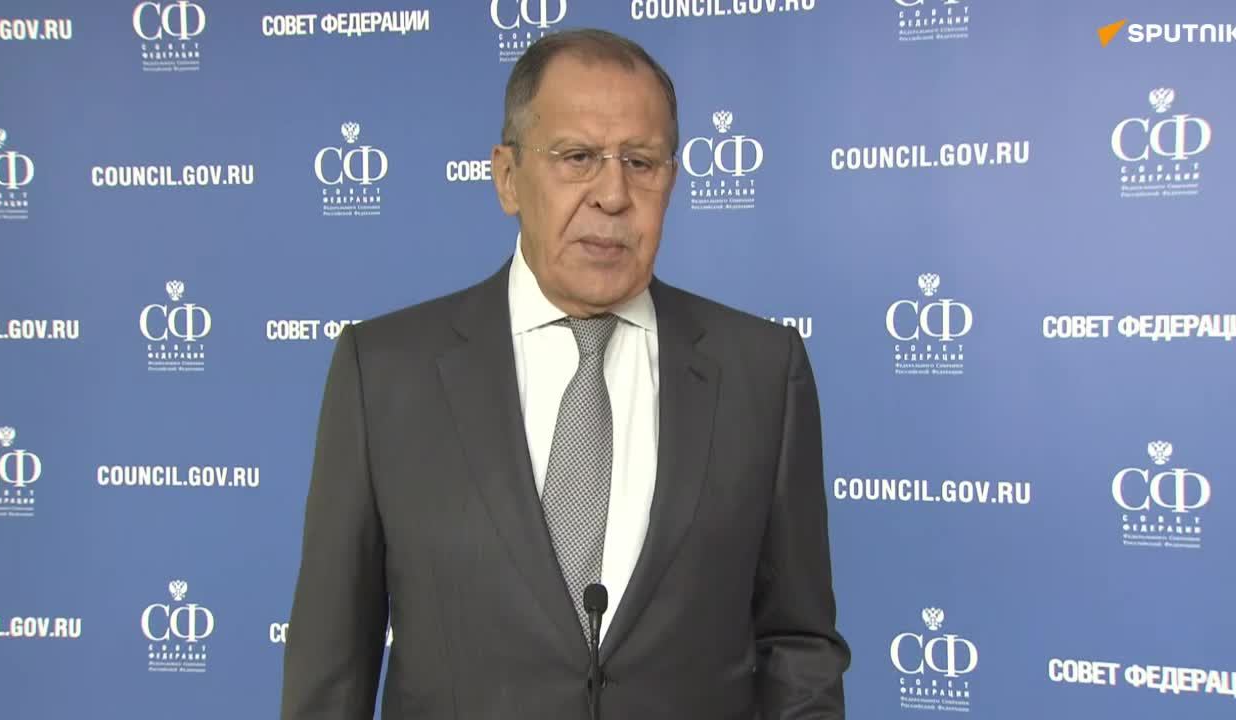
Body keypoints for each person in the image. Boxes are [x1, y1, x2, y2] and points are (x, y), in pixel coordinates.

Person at [281, 28, 849, 720]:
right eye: (577, 158)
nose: (612, 194)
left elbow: (797, 647)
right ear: (507, 177)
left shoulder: (761, 371)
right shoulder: (382, 373)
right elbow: (330, 666)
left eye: (640, 162)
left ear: (672, 180)